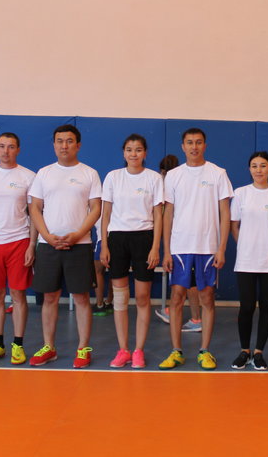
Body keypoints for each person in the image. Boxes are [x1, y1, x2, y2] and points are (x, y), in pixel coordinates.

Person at [28, 124, 102, 368]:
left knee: (81, 297)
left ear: (78, 145)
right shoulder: (44, 173)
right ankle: (49, 347)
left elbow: (96, 208)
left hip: (80, 245)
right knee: (50, 297)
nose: (64, 145)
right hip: (48, 245)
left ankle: (83, 349)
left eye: (69, 141)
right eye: (60, 141)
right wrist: (47, 236)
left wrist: (78, 234)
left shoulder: (89, 173)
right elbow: (35, 208)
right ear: (54, 145)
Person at [159, 128, 233, 370]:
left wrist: (221, 248)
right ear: (183, 146)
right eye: (189, 143)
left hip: (208, 247)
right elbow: (168, 213)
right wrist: (166, 250)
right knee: (177, 298)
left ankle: (204, 351)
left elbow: (225, 213)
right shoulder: (173, 175)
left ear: (205, 145)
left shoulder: (218, 173)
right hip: (180, 247)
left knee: (207, 298)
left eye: (198, 142)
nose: (194, 147)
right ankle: (176, 351)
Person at [100, 134, 163, 369]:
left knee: (143, 297)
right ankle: (123, 349)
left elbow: (158, 215)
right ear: (123, 153)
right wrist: (104, 244)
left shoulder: (154, 178)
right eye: (129, 149)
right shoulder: (113, 177)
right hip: (117, 238)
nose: (133, 154)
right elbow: (105, 214)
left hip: (144, 238)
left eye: (138, 150)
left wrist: (155, 246)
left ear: (145, 153)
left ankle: (138, 350)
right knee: (120, 298)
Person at [0, 133, 36, 365]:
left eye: (11, 147)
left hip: (19, 240)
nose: (6, 151)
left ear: (18, 150)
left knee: (18, 295)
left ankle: (18, 345)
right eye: (2, 146)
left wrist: (32, 245)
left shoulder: (28, 176)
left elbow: (34, 213)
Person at [229, 151, 268, 370]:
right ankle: (244, 350)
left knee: (266, 306)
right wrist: (244, 244)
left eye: (263, 165)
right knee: (246, 306)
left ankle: (258, 352)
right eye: (254, 166)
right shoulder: (240, 193)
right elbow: (234, 225)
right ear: (249, 169)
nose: (259, 170)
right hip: (246, 261)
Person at [154, 154, 203, 332]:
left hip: (185, 241)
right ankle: (175, 311)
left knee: (189, 281)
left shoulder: (173, 186)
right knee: (182, 281)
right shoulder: (167, 186)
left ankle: (196, 318)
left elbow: (167, 215)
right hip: (176, 241)